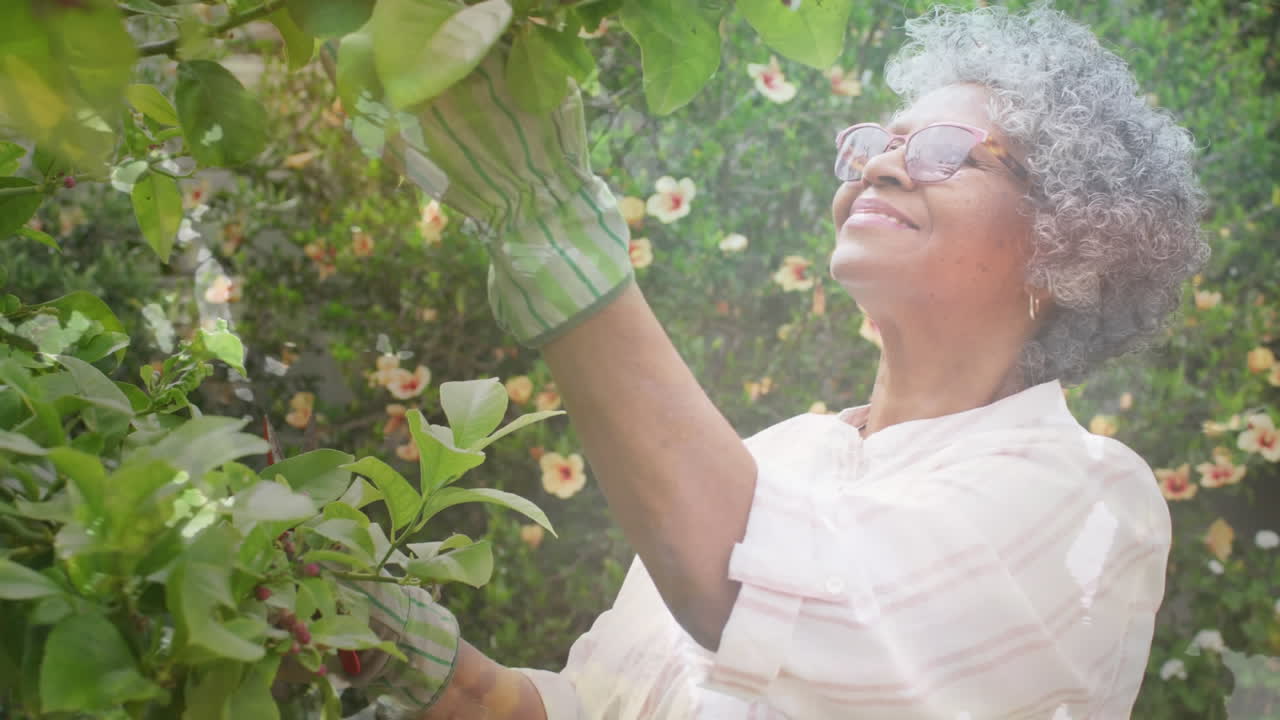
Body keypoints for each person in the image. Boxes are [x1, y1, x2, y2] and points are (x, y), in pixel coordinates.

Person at [337, 2, 1210, 718]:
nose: (885, 167)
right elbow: (582, 706)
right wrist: (431, 666)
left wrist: (558, 234)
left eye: (945, 150)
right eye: (873, 141)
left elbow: (760, 597)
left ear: (1071, 251)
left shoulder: (1093, 495)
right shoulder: (778, 458)